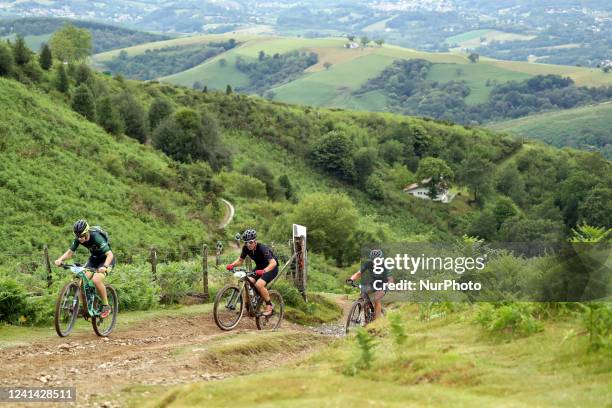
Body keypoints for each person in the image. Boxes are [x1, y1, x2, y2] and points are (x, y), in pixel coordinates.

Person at [54, 219, 115, 319]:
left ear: (87, 232)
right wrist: (60, 259)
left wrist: (104, 267)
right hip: (93, 260)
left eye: (82, 236)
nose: (80, 239)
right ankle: (85, 308)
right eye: (78, 236)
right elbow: (70, 253)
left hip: (106, 260)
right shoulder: (78, 238)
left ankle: (106, 306)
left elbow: (110, 254)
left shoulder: (97, 237)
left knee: (96, 279)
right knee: (82, 281)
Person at [226, 229, 278, 316]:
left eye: (250, 242)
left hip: (271, 268)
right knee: (247, 282)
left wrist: (264, 271)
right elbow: (240, 260)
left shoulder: (262, 248)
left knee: (259, 285)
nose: (248, 244)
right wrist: (232, 265)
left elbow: (273, 263)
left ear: (255, 241)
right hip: (259, 268)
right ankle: (248, 308)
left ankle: (269, 306)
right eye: (246, 242)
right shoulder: (246, 248)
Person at [346, 249, 393, 320]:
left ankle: (376, 321)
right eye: (373, 260)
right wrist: (351, 279)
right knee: (363, 294)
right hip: (373, 283)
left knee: (377, 298)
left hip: (384, 284)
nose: (375, 262)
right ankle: (366, 318)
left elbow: (390, 279)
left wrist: (387, 285)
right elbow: (358, 273)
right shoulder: (368, 264)